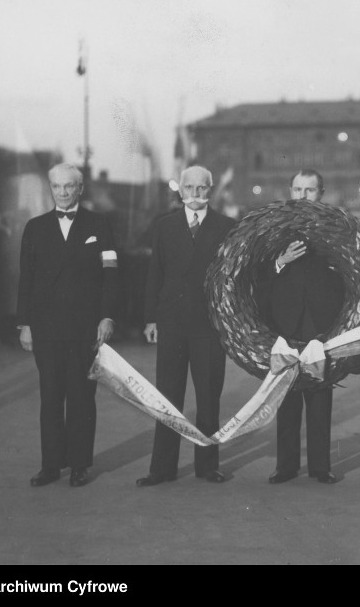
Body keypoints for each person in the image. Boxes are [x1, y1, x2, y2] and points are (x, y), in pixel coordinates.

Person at [17, 164, 119, 487]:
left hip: (84, 329)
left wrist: (107, 316)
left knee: (81, 397)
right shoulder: (34, 228)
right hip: (46, 329)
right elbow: (26, 280)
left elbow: (111, 275)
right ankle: (50, 465)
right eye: (57, 187)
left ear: (80, 188)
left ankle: (79, 464)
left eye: (69, 187)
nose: (62, 192)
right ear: (51, 189)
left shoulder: (99, 224)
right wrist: (25, 324)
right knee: (50, 398)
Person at [137, 165, 236, 487]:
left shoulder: (226, 226)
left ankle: (207, 466)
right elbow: (155, 273)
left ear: (210, 190)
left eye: (201, 187)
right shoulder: (165, 226)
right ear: (179, 191)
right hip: (172, 324)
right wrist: (151, 318)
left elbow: (233, 278)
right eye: (189, 187)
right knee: (168, 398)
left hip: (209, 326)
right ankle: (162, 468)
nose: (195, 193)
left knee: (208, 398)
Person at [259, 170, 344, 485]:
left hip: (321, 325)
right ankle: (286, 466)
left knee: (320, 398)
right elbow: (258, 274)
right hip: (286, 324)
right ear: (290, 191)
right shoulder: (273, 228)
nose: (303, 195)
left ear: (321, 192)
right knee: (287, 400)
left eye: (310, 190)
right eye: (298, 189)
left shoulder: (336, 227)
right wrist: (281, 261)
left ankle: (320, 466)